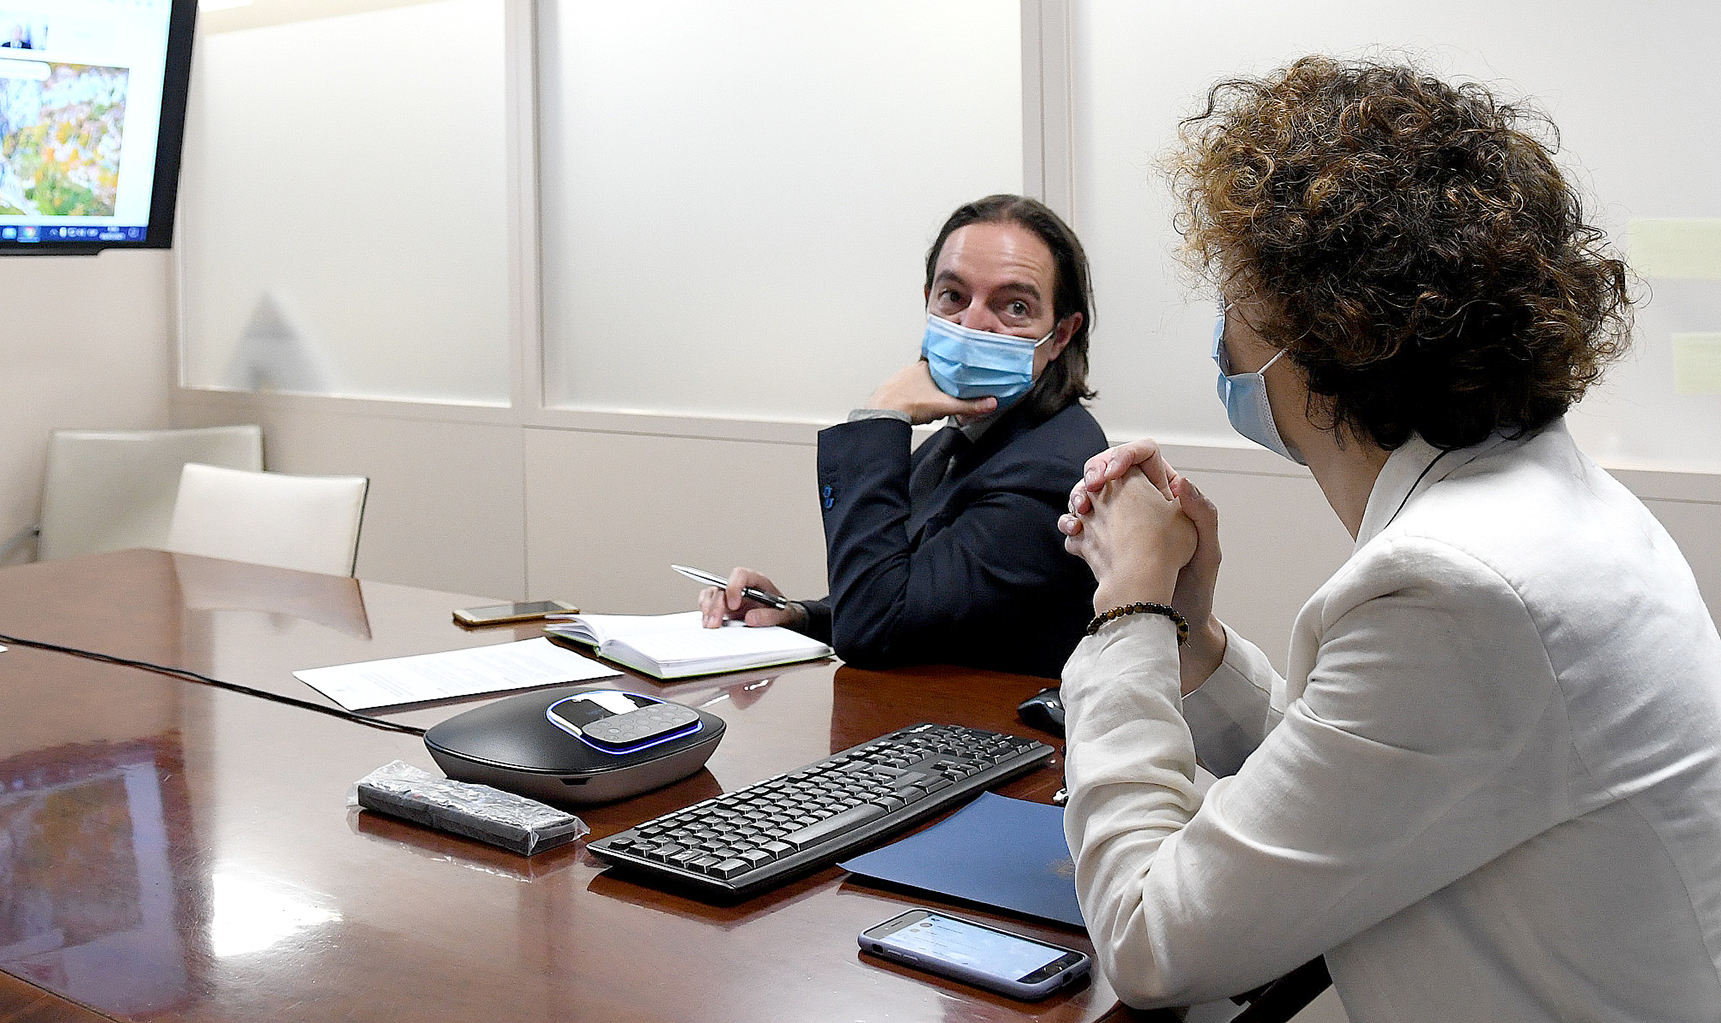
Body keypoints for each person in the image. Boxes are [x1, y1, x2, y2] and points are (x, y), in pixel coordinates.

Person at [1056, 57, 1721, 1019]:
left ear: (1321, 333)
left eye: (1236, 297)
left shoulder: (1458, 586)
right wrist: (1192, 639)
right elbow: (1366, 783)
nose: (1224, 334)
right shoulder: (1547, 503)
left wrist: (1129, 608)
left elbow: (1151, 939)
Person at [699, 194, 1107, 675]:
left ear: (1060, 334)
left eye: (1014, 305)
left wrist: (880, 416)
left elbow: (878, 630)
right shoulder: (960, 440)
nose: (973, 322)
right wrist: (797, 616)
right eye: (953, 296)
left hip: (1007, 742)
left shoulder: (1053, 470)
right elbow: (909, 596)